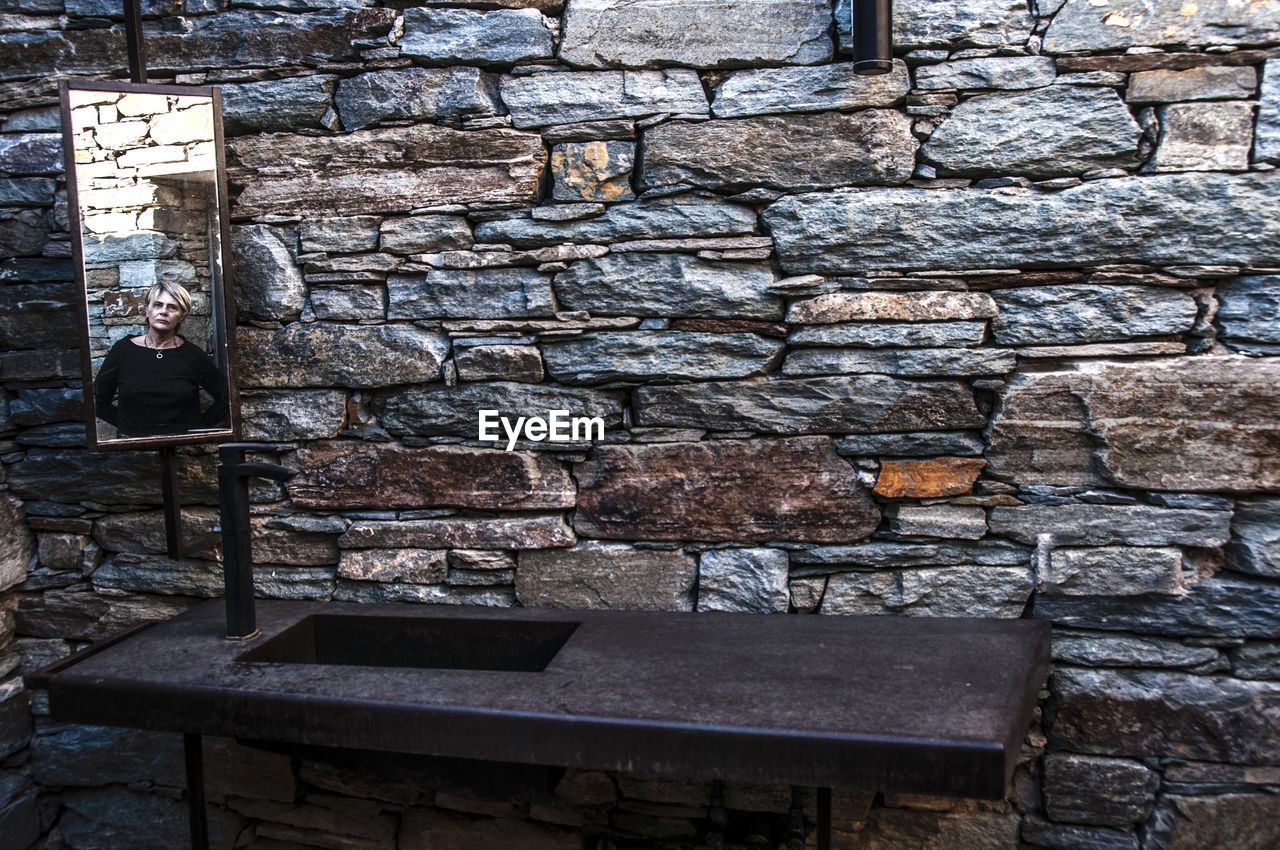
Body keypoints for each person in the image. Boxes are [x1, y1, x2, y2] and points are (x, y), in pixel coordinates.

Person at [93, 281, 229, 438]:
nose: (164, 312)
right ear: (147, 310)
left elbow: (226, 397)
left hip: (184, 449)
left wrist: (198, 427)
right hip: (135, 452)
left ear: (182, 316)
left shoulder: (192, 355)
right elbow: (98, 401)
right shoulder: (123, 350)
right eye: (158, 305)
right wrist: (128, 426)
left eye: (172, 307)